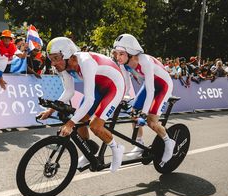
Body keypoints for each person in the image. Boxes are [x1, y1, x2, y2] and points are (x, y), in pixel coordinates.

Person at [39, 37, 125, 172]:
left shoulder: (86, 62)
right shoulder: (64, 66)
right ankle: (88, 152)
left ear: (67, 55)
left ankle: (116, 148)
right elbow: (69, 92)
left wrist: (70, 123)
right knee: (80, 119)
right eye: (51, 59)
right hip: (98, 87)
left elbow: (89, 99)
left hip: (114, 86)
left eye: (56, 58)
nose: (53, 63)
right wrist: (50, 111)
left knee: (95, 126)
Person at [113, 34, 175, 166]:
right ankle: (140, 144)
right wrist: (120, 98)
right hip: (149, 86)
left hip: (163, 87)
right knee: (133, 113)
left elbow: (152, 91)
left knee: (151, 122)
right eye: (116, 53)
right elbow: (126, 85)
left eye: (121, 54)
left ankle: (169, 142)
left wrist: (144, 113)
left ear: (131, 53)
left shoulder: (145, 61)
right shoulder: (124, 64)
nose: (118, 57)